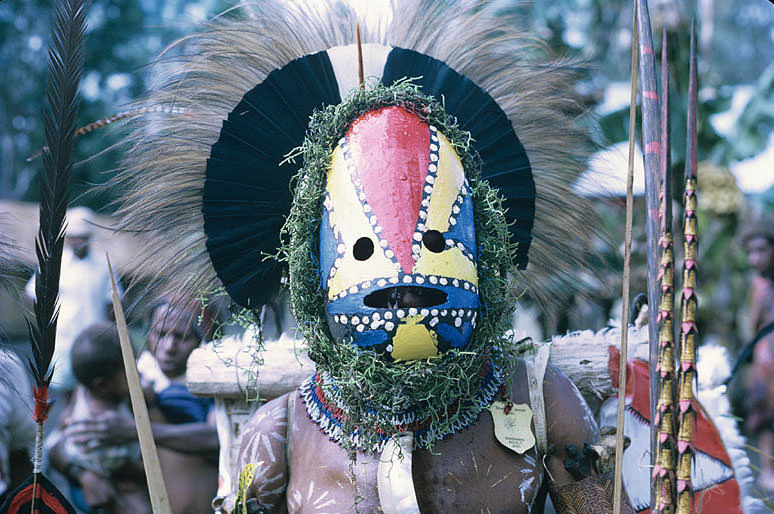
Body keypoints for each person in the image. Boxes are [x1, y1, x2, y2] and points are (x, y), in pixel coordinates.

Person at [64, 301, 219, 514]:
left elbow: (217, 438)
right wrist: (85, 475)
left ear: (203, 340)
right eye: (160, 334)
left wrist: (137, 430)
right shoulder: (120, 370)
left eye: (182, 336)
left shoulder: (213, 382)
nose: (168, 347)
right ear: (148, 334)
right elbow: (58, 445)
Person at [49, 323, 150, 514]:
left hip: (93, 472)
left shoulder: (85, 389)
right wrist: (138, 470)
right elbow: (117, 465)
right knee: (141, 509)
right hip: (105, 480)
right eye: (131, 370)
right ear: (102, 385)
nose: (138, 373)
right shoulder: (99, 424)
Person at [25, 207, 121, 392]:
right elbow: (30, 294)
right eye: (74, 236)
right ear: (66, 238)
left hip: (93, 343)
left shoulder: (103, 265)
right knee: (66, 390)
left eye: (83, 236)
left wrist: (109, 332)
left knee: (92, 389)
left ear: (90, 237)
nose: (78, 241)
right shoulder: (53, 262)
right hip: (63, 341)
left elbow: (114, 303)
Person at [742, 218, 774, 491]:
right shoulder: (759, 284)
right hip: (767, 355)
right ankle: (768, 467)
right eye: (751, 251)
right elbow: (753, 324)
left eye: (762, 250)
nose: (756, 258)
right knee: (765, 412)